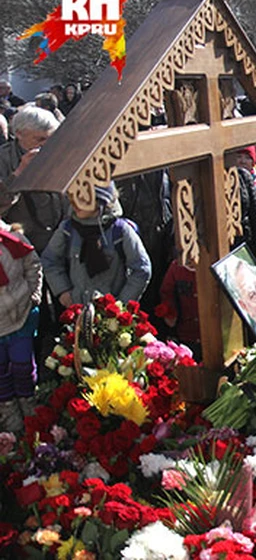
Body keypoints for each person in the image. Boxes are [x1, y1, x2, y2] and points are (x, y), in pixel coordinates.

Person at [41, 183, 152, 306]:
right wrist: (63, 291)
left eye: (82, 199)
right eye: (72, 197)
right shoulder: (67, 229)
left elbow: (142, 268)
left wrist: (121, 304)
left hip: (111, 313)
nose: (74, 204)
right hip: (77, 309)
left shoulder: (120, 231)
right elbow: (49, 260)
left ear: (99, 201)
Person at [0, 107, 69, 253]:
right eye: (40, 139)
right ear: (19, 134)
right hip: (24, 245)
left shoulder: (59, 153)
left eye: (51, 139)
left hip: (62, 242)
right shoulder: (4, 159)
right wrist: (19, 174)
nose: (45, 145)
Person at [0, 219, 42, 433]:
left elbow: (32, 264)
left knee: (22, 365)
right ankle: (9, 411)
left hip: (21, 313)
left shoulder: (13, 240)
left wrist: (34, 293)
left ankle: (29, 404)